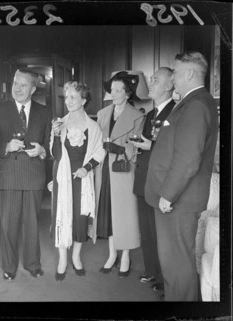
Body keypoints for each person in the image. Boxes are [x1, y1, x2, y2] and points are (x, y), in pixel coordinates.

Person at [145, 52, 219, 301]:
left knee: (177, 262)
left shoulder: (196, 104)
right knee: (174, 261)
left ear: (189, 73)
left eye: (175, 72)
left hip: (177, 201)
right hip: (178, 200)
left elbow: (188, 159)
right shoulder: (193, 101)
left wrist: (168, 195)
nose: (173, 78)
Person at [0, 68, 51, 281]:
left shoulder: (44, 112)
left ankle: (33, 264)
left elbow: (51, 144)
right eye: (15, 83)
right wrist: (6, 145)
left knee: (32, 224)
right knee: (8, 224)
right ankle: (9, 266)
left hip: (34, 174)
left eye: (23, 85)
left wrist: (42, 150)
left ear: (33, 89)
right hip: (8, 174)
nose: (17, 88)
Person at [50, 81, 105, 281]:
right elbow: (55, 155)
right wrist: (56, 134)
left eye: (73, 97)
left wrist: (86, 168)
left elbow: (100, 151)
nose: (69, 101)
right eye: (67, 97)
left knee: (80, 219)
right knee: (62, 217)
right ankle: (62, 259)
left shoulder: (93, 126)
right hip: (63, 178)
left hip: (82, 178)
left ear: (83, 100)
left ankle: (76, 256)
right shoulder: (59, 123)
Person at [94, 71, 145, 278]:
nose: (112, 94)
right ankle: (112, 254)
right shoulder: (102, 113)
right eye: (111, 90)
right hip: (103, 170)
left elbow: (138, 147)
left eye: (117, 90)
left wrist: (119, 148)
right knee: (108, 212)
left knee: (124, 214)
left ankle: (125, 255)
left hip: (123, 170)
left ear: (127, 93)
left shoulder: (138, 116)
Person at [131, 67, 176, 293]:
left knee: (160, 232)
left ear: (169, 85)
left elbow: (175, 149)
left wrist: (151, 145)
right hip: (143, 180)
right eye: (151, 78)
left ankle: (163, 278)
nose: (151, 81)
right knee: (146, 230)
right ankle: (151, 271)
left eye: (156, 79)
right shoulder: (150, 114)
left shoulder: (175, 113)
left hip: (159, 182)